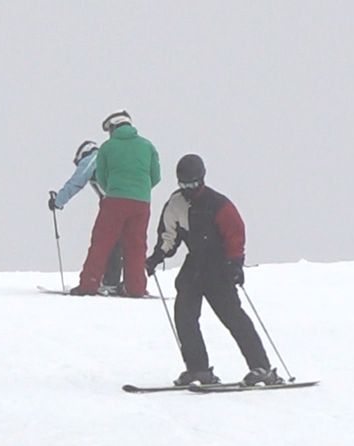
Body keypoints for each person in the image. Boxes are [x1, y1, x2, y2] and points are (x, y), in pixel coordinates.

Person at [145, 154, 283, 387]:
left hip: (219, 267)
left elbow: (235, 233)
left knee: (233, 317)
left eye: (192, 184)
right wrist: (156, 257)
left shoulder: (218, 204)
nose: (188, 189)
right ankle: (198, 370)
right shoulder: (176, 203)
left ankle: (262, 368)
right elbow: (169, 235)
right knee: (185, 316)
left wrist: (235, 264)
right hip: (195, 266)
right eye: (183, 184)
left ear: (202, 179)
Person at [69, 110, 161, 297]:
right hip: (142, 203)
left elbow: (102, 177)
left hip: (115, 201)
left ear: (113, 127)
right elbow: (156, 176)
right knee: (136, 246)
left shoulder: (107, 147)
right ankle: (135, 288)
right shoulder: (148, 146)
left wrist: (116, 189)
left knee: (102, 243)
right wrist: (139, 190)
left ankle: (89, 284)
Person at [48, 140, 124, 294]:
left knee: (102, 240)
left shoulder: (92, 159)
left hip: (113, 203)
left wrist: (58, 201)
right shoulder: (109, 160)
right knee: (119, 242)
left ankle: (98, 281)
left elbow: (76, 182)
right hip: (131, 200)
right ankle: (115, 280)